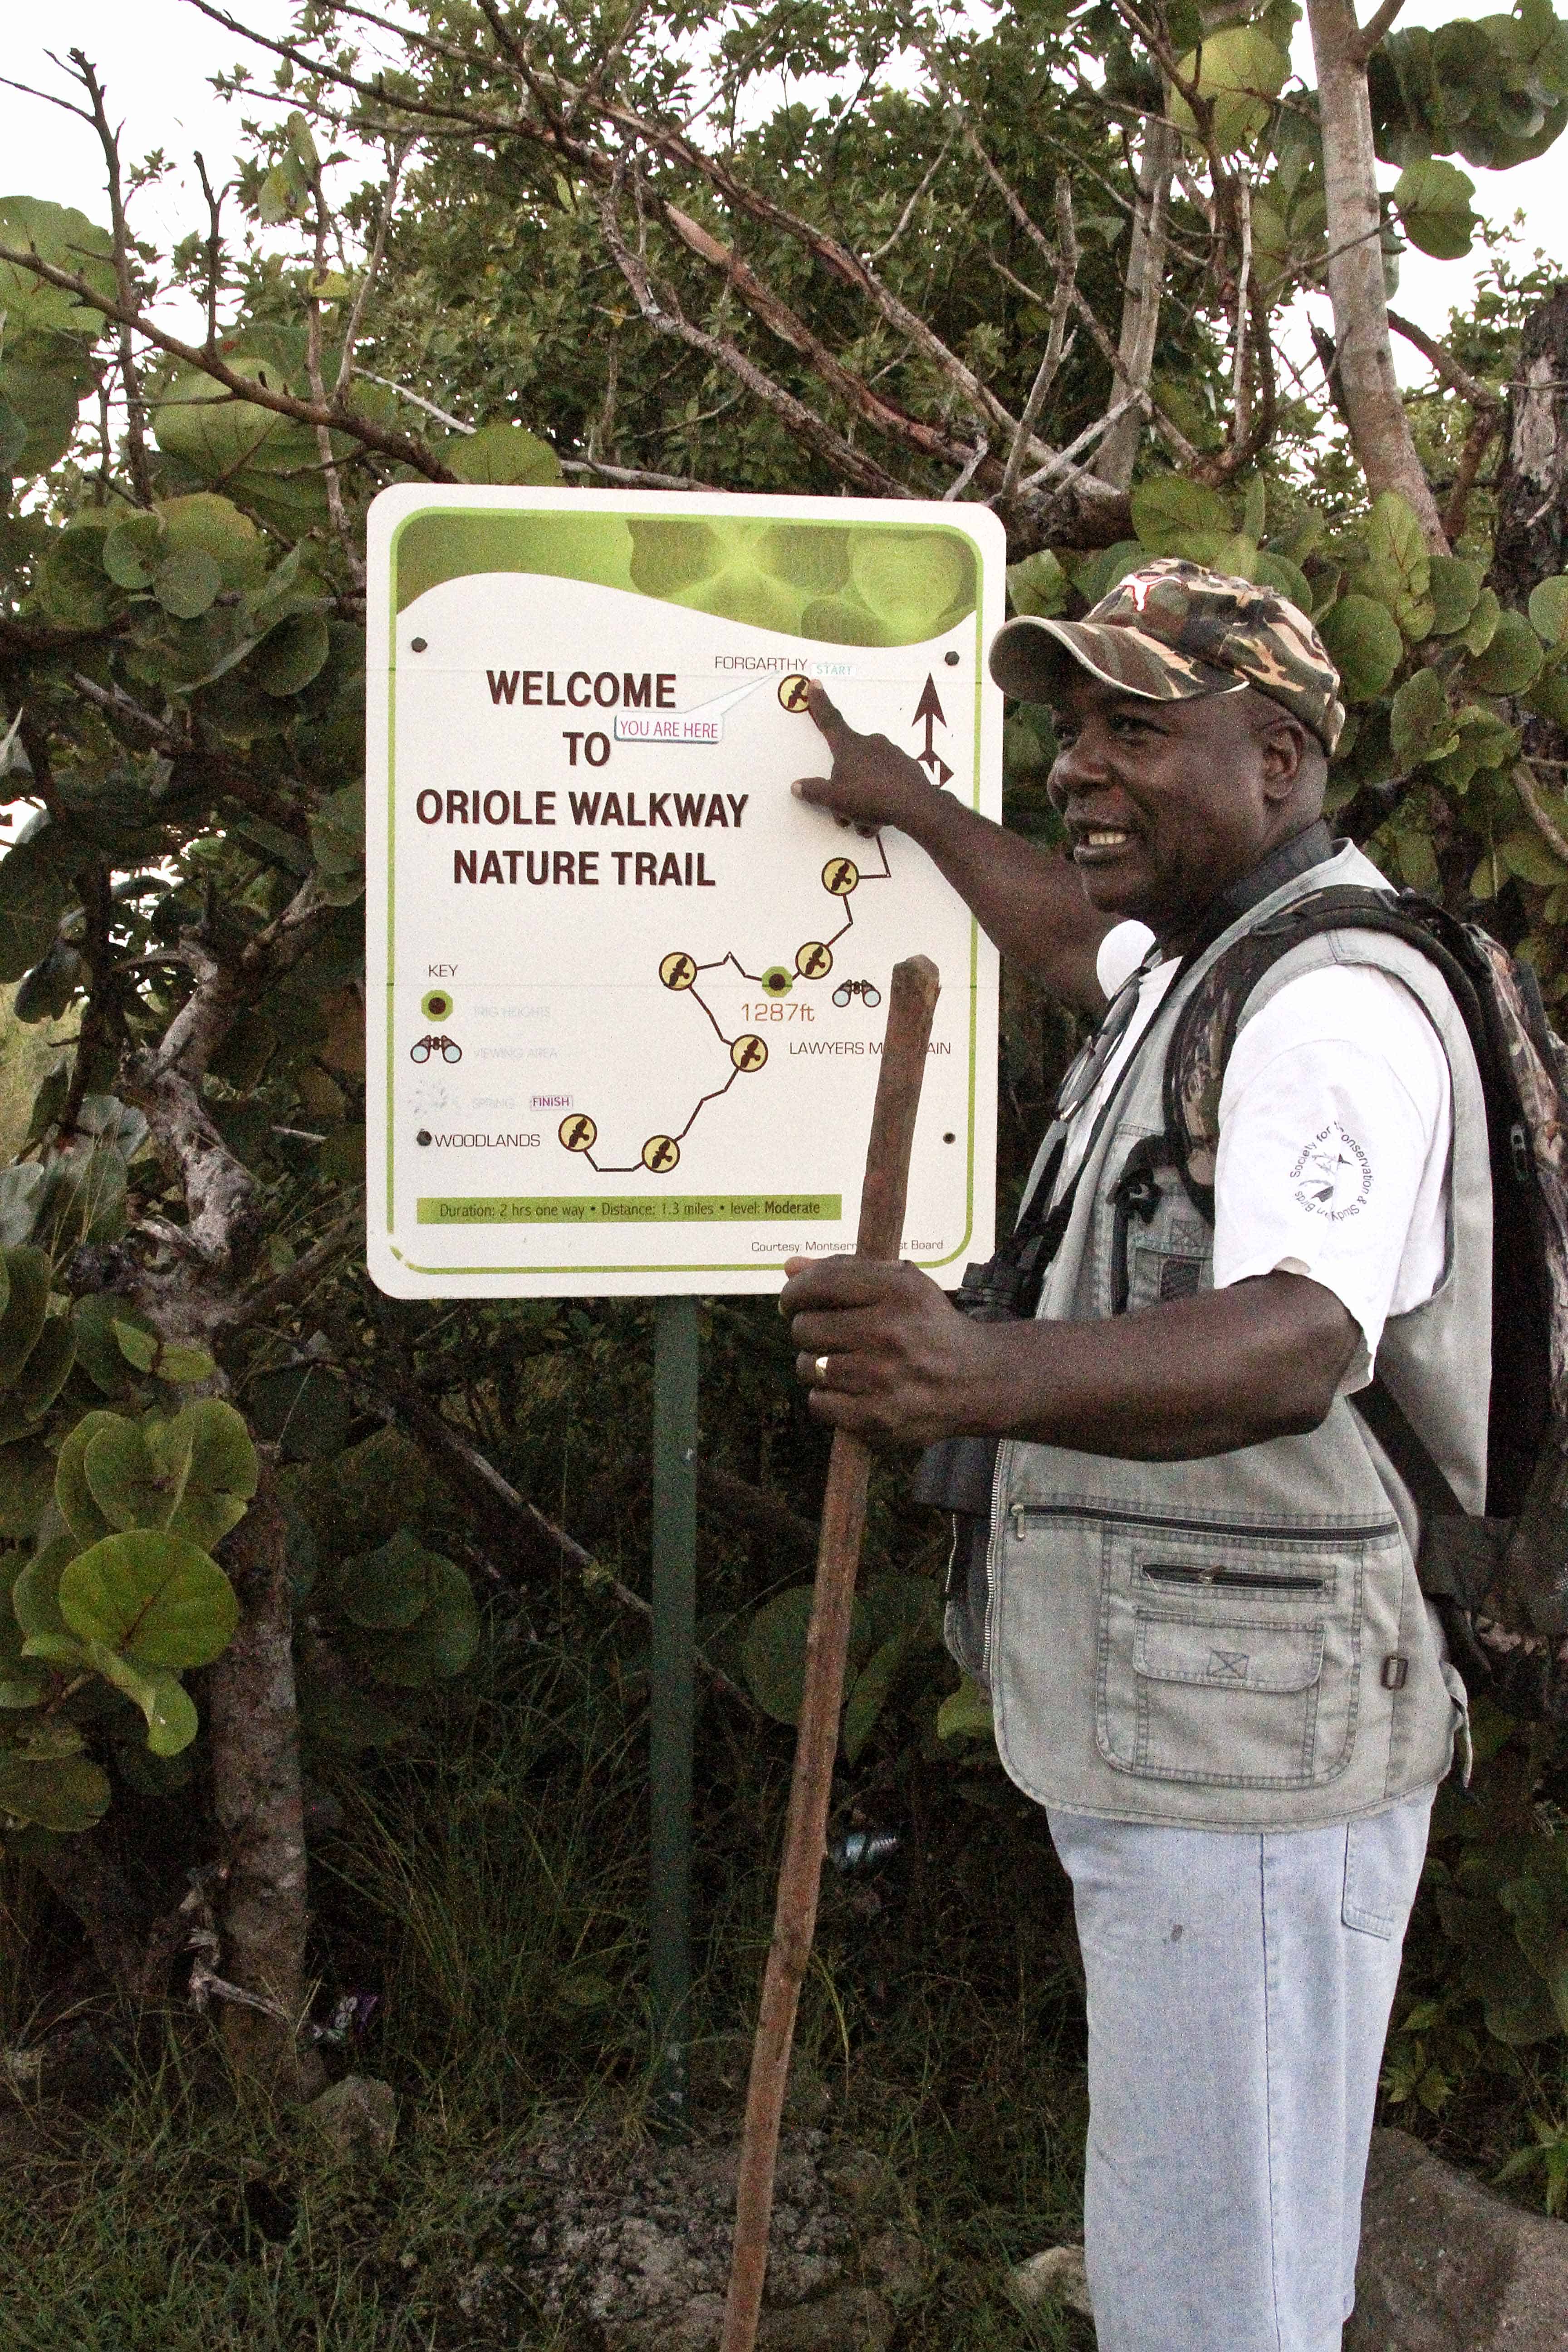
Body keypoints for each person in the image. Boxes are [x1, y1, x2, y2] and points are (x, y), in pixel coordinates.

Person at [779, 558, 1480, 2352]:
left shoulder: (1331, 1003)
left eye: (1134, 731)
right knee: (1201, 2232)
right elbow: (1058, 933)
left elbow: (1306, 1336)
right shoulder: (1209, 963)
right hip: (1202, 1711)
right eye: (1070, 728)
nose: (1080, 768)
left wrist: (974, 1375)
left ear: (1278, 755)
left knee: (1219, 2287)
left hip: (1258, 1736)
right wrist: (910, 799)